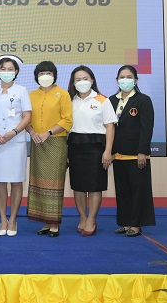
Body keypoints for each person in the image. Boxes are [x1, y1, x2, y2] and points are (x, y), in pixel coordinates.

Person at [66, 65, 116, 237]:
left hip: (97, 147)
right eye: (78, 79)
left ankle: (91, 219)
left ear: (92, 80)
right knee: (78, 186)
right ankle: (82, 217)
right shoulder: (69, 100)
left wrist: (108, 151)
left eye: (85, 78)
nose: (82, 82)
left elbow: (110, 126)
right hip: (75, 146)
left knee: (95, 186)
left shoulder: (102, 100)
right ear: (73, 82)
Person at [26, 61, 72, 237]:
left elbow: (67, 120)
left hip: (56, 142)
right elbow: (26, 119)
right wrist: (32, 132)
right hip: (37, 142)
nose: (45, 76)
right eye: (41, 73)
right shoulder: (31, 95)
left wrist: (49, 132)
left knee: (54, 182)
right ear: (36, 76)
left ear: (54, 75)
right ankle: (45, 221)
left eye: (49, 73)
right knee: (39, 182)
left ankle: (54, 223)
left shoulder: (63, 94)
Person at [109, 65, 155, 237]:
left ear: (135, 80)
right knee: (123, 190)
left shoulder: (143, 100)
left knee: (138, 190)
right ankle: (125, 222)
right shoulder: (111, 100)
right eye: (122, 77)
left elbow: (146, 128)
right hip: (118, 155)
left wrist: (142, 151)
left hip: (137, 155)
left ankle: (136, 225)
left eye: (129, 77)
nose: (125, 80)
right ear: (117, 80)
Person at [0, 55, 31, 237]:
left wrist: (13, 132)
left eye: (10, 69)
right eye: (3, 69)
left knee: (16, 181)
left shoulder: (22, 90)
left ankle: (13, 219)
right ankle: (3, 219)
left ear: (16, 72)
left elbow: (27, 116)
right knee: (0, 181)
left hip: (16, 141)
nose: (6, 72)